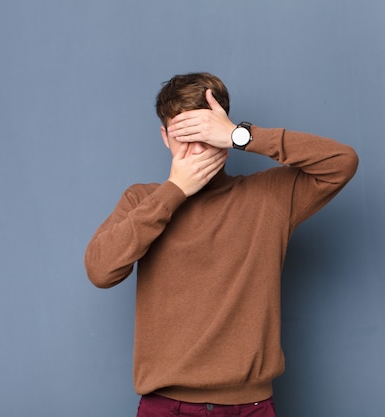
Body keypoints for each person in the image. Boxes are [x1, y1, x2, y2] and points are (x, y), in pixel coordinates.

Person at [84, 72, 358, 417]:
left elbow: (341, 163)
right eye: (184, 136)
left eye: (205, 134)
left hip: (250, 405)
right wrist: (174, 191)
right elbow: (100, 270)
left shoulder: (267, 197)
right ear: (165, 139)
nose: (197, 149)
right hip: (166, 405)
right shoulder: (143, 200)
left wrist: (240, 135)